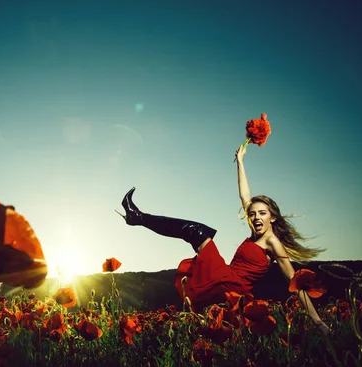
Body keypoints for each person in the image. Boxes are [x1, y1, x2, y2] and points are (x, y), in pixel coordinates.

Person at [118, 143, 330, 335]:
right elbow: (245, 197)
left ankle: (137, 217)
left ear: (273, 217)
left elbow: (294, 283)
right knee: (195, 232)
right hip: (225, 279)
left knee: (197, 231)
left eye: (262, 213)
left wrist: (318, 321)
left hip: (234, 287)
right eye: (253, 214)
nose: (256, 217)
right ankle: (137, 217)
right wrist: (240, 162)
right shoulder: (255, 232)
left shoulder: (272, 242)